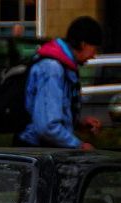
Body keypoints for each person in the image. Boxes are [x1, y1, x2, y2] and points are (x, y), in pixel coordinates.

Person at [16, 15, 104, 150]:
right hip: (36, 151)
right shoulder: (52, 68)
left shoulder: (62, 65)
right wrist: (79, 146)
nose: (94, 55)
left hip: (41, 148)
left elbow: (51, 112)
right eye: (94, 48)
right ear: (83, 44)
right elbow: (47, 127)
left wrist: (79, 123)